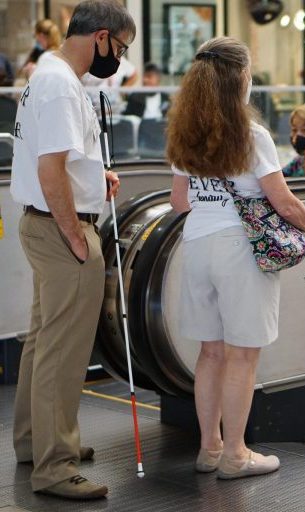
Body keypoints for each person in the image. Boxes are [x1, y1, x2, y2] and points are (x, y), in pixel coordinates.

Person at [167, 36, 305, 480]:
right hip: (240, 251)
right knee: (242, 357)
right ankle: (237, 456)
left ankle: (210, 448)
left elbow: (179, 201)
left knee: (211, 353)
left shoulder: (185, 131)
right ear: (240, 77)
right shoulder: (251, 134)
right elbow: (282, 200)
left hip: (196, 247)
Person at [9, 0, 135, 500]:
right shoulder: (62, 85)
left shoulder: (48, 74)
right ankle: (55, 467)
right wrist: (75, 236)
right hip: (62, 230)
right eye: (120, 48)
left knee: (43, 343)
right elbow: (49, 170)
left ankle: (36, 441)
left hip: (41, 223)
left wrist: (91, 177)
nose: (119, 59)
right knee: (62, 352)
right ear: (100, 37)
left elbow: (58, 159)